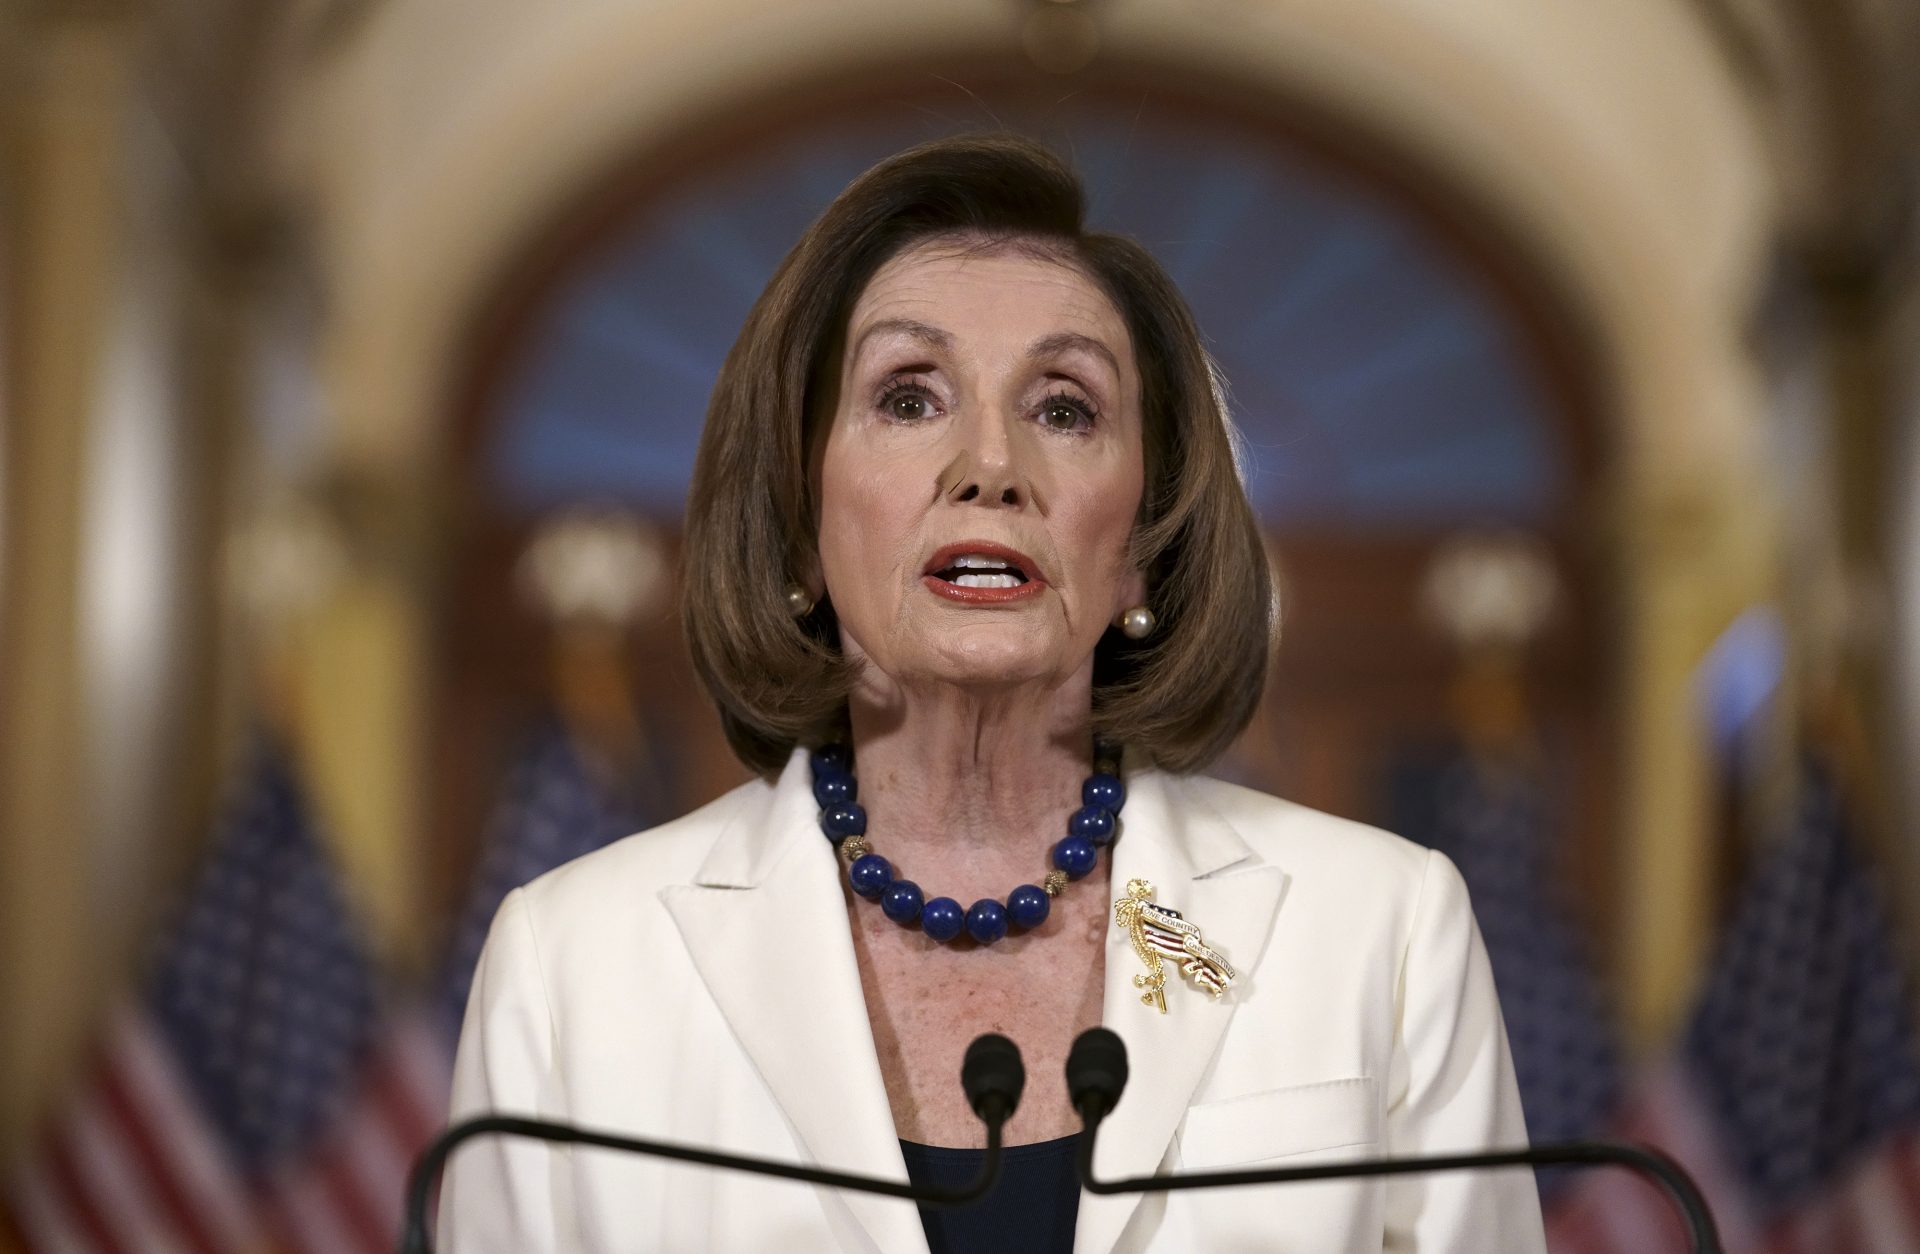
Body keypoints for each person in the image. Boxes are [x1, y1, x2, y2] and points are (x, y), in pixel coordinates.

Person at [440, 134, 1547, 1254]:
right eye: (908, 398)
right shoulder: (576, 966)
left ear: (1142, 549)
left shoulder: (1378, 930)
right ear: (801, 521)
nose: (990, 464)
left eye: (1065, 408)